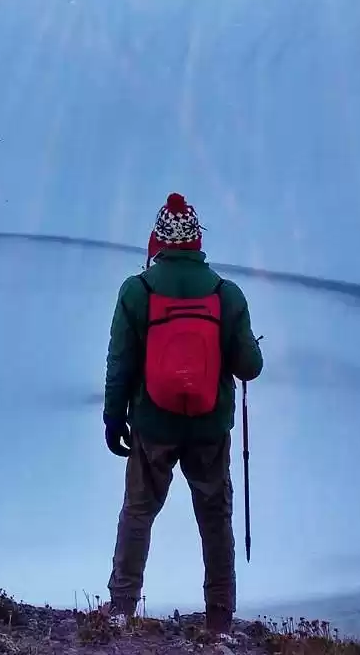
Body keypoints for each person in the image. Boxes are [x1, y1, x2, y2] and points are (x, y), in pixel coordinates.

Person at [103, 192, 263, 634]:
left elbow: (120, 364)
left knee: (138, 510)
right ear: (196, 241)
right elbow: (249, 366)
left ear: (159, 241)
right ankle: (220, 618)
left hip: (153, 424)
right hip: (210, 428)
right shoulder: (225, 295)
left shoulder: (138, 291)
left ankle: (120, 609)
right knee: (215, 517)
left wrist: (114, 420)